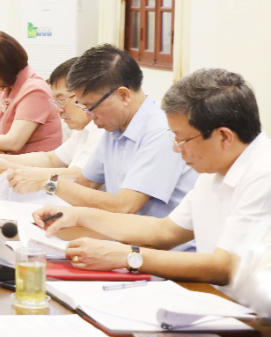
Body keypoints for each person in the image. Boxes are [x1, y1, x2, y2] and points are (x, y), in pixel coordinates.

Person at [34, 68, 271, 283]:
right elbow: (164, 231)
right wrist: (79, 216)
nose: (176, 149)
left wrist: (128, 256)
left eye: (183, 140)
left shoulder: (263, 174)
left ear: (224, 137)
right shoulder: (214, 171)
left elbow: (226, 266)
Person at [13, 44, 196, 216]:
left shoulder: (160, 131)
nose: (89, 115)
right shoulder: (114, 128)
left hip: (156, 237)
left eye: (91, 106)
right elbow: (86, 183)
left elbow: (125, 206)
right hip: (123, 232)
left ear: (123, 95)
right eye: (83, 107)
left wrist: (50, 182)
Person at [0, 57, 104, 185]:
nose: (58, 109)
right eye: (56, 101)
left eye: (61, 99)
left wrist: (10, 168)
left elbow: (80, 177)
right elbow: (51, 159)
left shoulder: (102, 130)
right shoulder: (83, 129)